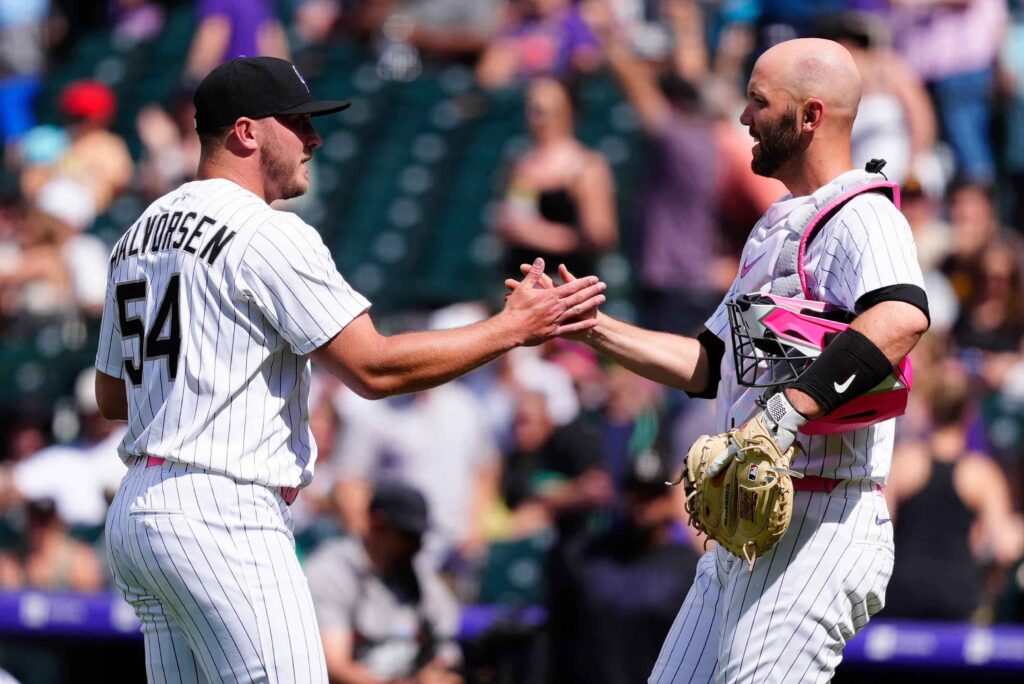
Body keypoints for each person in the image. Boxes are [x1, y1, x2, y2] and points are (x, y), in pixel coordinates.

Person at [93, 56, 606, 683]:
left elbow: (113, 395)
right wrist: (511, 329)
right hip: (221, 511)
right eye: (297, 123)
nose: (313, 138)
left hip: (141, 510)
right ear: (247, 132)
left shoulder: (138, 234)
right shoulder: (265, 232)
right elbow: (373, 369)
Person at [511, 37, 931, 681]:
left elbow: (901, 316)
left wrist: (787, 413)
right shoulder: (776, 225)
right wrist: (588, 326)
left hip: (824, 521)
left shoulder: (863, 214)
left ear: (810, 115)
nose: (743, 117)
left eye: (759, 102)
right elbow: (710, 362)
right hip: (749, 526)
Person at [305, 482, 463, 684]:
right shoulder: (332, 571)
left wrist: (440, 669)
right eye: (408, 536)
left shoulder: (418, 574)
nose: (418, 545)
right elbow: (334, 666)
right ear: (378, 523)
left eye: (420, 537)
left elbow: (447, 644)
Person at [497, 77, 617, 283]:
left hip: (565, 284)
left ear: (568, 111)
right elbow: (514, 220)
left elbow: (600, 234)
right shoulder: (523, 164)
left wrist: (536, 233)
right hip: (522, 281)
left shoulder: (586, 166)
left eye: (545, 111)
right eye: (533, 110)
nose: (537, 119)